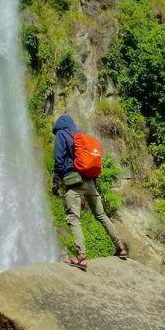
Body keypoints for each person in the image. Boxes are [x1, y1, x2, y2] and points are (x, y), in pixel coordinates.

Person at [51, 113, 127, 270]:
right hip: (90, 181)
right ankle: (120, 248)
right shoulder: (79, 137)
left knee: (73, 218)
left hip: (74, 182)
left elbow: (59, 160)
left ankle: (81, 256)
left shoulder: (61, 134)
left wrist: (56, 182)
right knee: (101, 215)